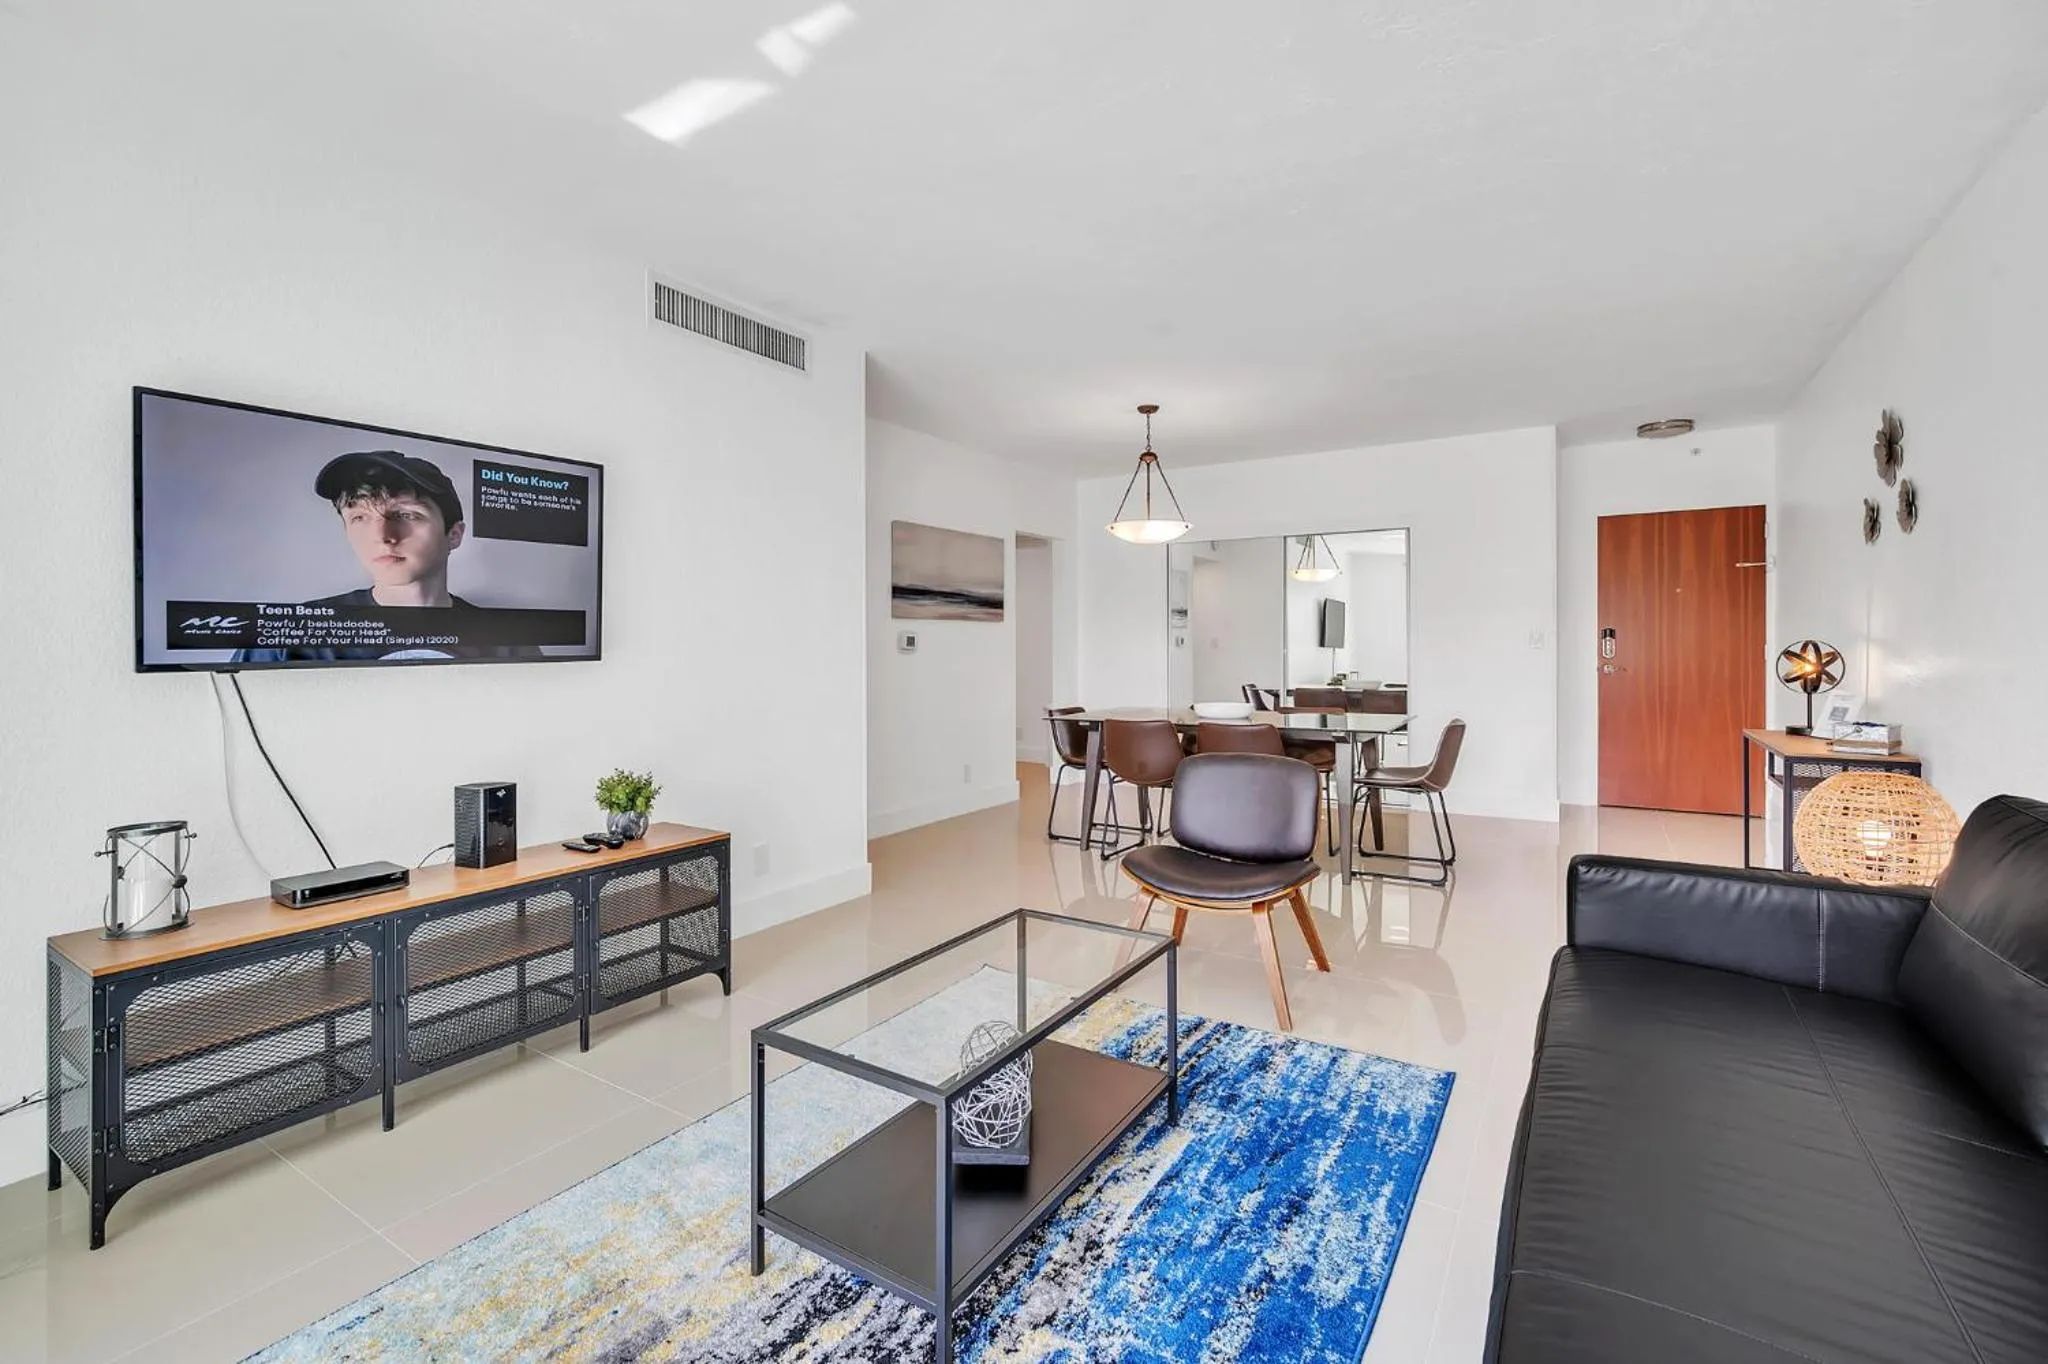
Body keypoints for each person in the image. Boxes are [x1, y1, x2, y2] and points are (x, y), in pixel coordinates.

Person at [233, 451, 544, 663]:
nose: (383, 536)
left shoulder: (510, 641)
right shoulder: (288, 636)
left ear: (454, 534)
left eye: (406, 515)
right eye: (359, 518)